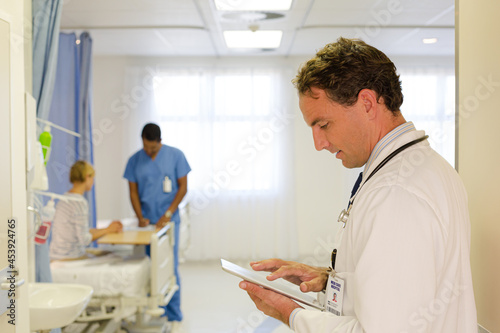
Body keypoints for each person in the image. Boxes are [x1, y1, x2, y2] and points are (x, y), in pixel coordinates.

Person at [239, 37, 477, 332]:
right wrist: (330, 281)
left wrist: (292, 314)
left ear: (366, 103)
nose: (318, 143)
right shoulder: (427, 168)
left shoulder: (396, 193)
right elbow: (407, 287)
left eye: (323, 125)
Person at [123, 123, 191, 324]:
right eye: (145, 147)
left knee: (168, 266)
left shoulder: (175, 155)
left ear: (160, 142)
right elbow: (133, 191)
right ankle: (156, 307)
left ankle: (174, 313)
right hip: (147, 223)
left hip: (169, 222)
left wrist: (168, 213)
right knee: (150, 266)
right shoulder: (134, 160)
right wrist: (140, 216)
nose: (149, 151)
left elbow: (183, 187)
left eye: (152, 148)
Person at [50, 160, 123, 260]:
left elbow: (81, 232)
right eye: (93, 177)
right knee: (116, 257)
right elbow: (85, 239)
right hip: (70, 256)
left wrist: (108, 229)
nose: (93, 181)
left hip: (56, 254)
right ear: (87, 177)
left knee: (108, 253)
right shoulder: (79, 202)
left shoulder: (64, 198)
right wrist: (107, 230)